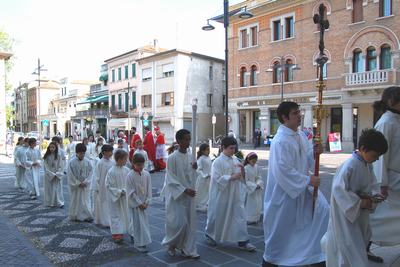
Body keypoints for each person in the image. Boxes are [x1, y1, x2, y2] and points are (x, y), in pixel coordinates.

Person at [262, 101, 329, 267]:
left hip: (300, 190)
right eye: (295, 113)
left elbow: (307, 158)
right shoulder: (280, 141)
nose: (299, 116)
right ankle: (273, 260)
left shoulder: (299, 136)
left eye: (299, 112)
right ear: (285, 118)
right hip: (285, 194)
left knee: (322, 211)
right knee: (282, 232)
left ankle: (309, 256)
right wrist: (308, 180)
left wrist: (314, 151)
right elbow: (282, 171)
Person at [322, 129, 388, 267]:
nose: (377, 159)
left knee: (356, 249)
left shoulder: (366, 164)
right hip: (345, 219)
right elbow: (339, 190)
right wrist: (360, 202)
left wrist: (375, 196)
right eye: (375, 155)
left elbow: (372, 184)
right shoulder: (349, 166)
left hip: (357, 216)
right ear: (363, 149)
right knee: (349, 253)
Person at [205, 136, 256, 252]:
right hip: (221, 194)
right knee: (217, 215)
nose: (233, 151)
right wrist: (231, 177)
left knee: (239, 216)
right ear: (223, 147)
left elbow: (242, 178)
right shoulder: (217, 162)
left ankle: (243, 241)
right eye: (231, 148)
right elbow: (217, 178)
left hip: (235, 194)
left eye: (234, 148)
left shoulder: (235, 160)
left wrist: (243, 173)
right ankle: (210, 234)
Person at [369, 86, 400, 261]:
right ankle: (364, 242)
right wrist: (382, 183)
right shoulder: (386, 122)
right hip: (392, 179)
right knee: (380, 216)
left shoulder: (396, 120)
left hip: (397, 177)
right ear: (392, 101)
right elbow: (380, 155)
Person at [161, 129, 199, 259]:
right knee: (178, 223)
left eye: (189, 139)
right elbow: (170, 178)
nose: (189, 142)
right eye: (186, 139)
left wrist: (195, 169)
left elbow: (191, 175)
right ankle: (171, 244)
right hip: (176, 195)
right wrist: (184, 190)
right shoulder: (172, 158)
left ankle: (186, 247)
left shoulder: (190, 156)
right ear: (179, 141)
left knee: (188, 222)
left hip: (188, 195)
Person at [126, 153, 152, 252]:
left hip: (144, 203)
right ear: (133, 164)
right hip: (136, 205)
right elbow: (131, 192)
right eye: (138, 165)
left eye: (142, 165)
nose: (141, 167)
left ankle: (143, 241)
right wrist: (139, 203)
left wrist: (147, 201)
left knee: (144, 223)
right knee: (137, 223)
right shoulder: (130, 175)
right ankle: (138, 243)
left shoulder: (146, 174)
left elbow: (149, 188)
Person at [105, 149, 130, 243]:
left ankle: (126, 230)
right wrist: (120, 192)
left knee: (125, 214)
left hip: (124, 197)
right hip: (115, 198)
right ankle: (116, 234)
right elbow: (109, 186)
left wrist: (127, 190)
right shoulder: (111, 171)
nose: (126, 161)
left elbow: (129, 182)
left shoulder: (127, 170)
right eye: (125, 159)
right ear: (119, 160)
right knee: (115, 215)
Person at [67, 143, 93, 222]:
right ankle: (75, 215)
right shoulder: (71, 162)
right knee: (76, 200)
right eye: (80, 153)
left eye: (83, 153)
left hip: (85, 185)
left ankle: (87, 215)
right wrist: (78, 183)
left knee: (85, 200)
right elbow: (70, 174)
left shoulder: (88, 162)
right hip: (76, 186)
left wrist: (86, 182)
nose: (82, 155)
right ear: (76, 153)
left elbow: (91, 173)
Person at [93, 144, 114, 227]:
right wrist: (97, 187)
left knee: (109, 203)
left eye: (112, 151)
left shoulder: (112, 162)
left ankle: (109, 219)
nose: (111, 153)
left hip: (110, 186)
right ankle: (103, 220)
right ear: (104, 152)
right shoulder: (100, 163)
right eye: (110, 151)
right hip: (102, 186)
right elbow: (96, 176)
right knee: (103, 203)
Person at [43, 141, 65, 208]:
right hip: (49, 175)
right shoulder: (46, 156)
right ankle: (50, 202)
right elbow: (45, 166)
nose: (51, 149)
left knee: (57, 189)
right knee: (50, 189)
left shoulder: (58, 156)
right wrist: (51, 174)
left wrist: (57, 173)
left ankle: (59, 202)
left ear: (56, 148)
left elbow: (61, 166)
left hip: (57, 175)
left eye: (53, 147)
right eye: (50, 147)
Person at [244, 152, 264, 224]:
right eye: (253, 161)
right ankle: (249, 218)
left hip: (256, 188)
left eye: (255, 161)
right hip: (251, 189)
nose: (254, 163)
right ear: (248, 160)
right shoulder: (245, 168)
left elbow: (259, 177)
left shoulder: (256, 167)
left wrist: (259, 184)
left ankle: (256, 218)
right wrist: (254, 186)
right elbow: (245, 181)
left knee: (257, 204)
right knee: (250, 205)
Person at [195, 143, 212, 212]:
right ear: (202, 151)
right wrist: (204, 175)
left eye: (209, 150)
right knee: (202, 192)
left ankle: (206, 204)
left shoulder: (208, 158)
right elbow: (198, 169)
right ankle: (200, 204)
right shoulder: (201, 159)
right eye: (207, 150)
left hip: (209, 178)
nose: (209, 151)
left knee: (208, 192)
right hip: (203, 179)